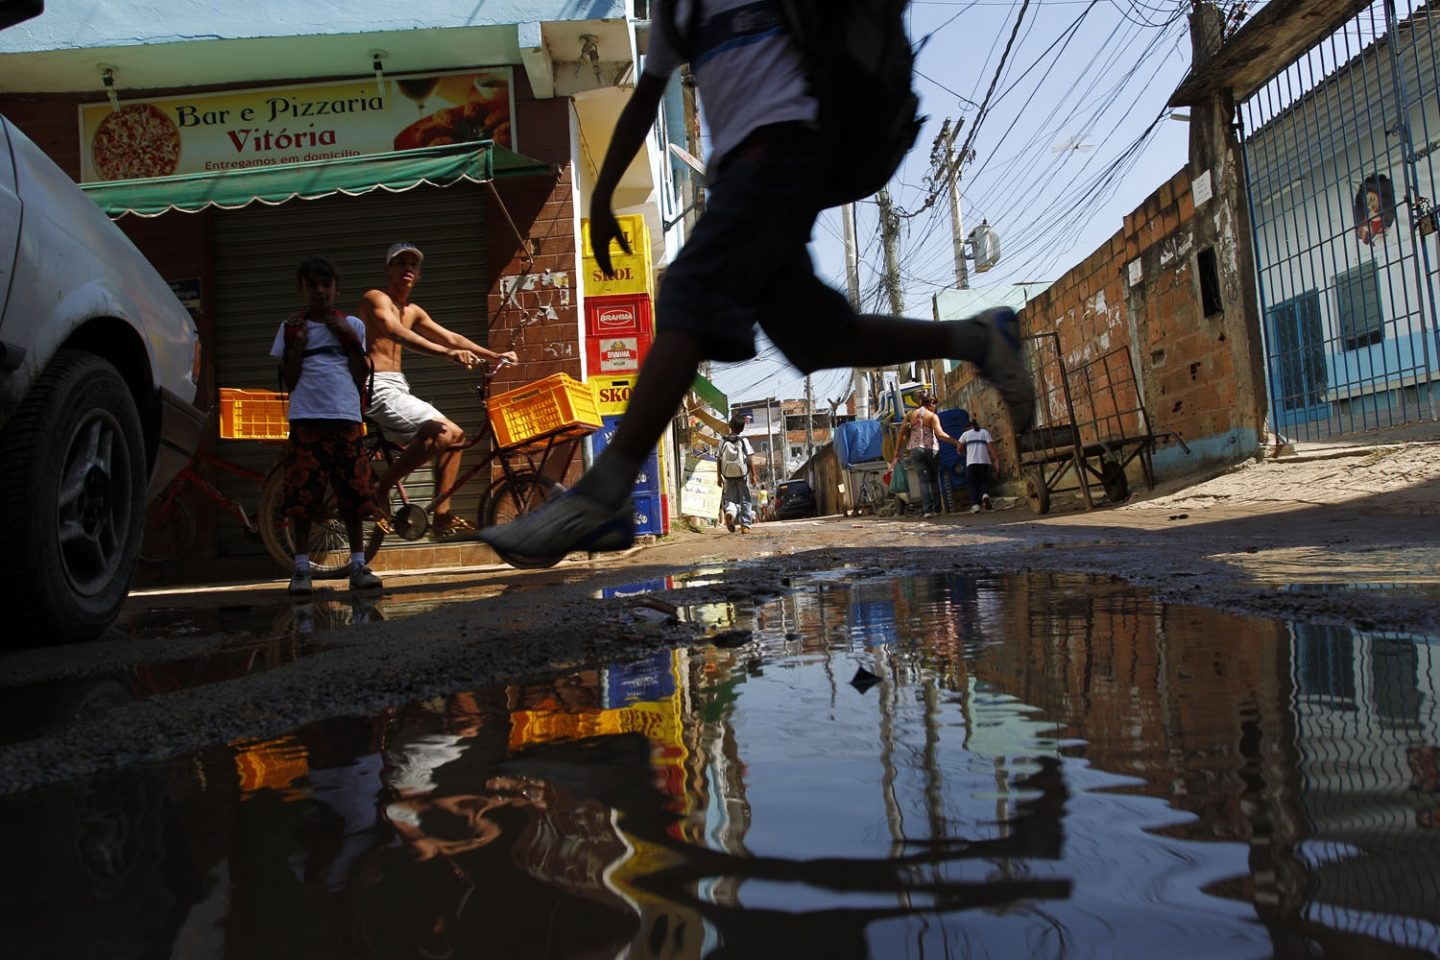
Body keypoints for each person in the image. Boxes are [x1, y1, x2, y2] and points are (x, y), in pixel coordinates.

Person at [477, 0, 1033, 563]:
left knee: (689, 294)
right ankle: (977, 337)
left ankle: (604, 494)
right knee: (819, 337)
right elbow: (646, 96)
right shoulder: (677, 9)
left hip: (783, 147)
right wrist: (601, 200)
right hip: (749, 170)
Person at [360, 242, 517, 539]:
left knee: (456, 436)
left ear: (419, 274)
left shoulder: (413, 311)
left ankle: (442, 515)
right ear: (388, 270)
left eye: (413, 265)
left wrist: (494, 356)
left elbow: (451, 337)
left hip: (398, 387)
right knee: (443, 433)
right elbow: (395, 331)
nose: (407, 269)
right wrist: (447, 354)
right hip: (376, 385)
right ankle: (381, 488)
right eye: (400, 263)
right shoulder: (375, 298)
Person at [270, 255, 383, 596]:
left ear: (337, 288)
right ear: (301, 289)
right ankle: (301, 569)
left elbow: (361, 375)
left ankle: (358, 565)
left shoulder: (353, 325)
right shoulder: (291, 328)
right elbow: (289, 379)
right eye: (312, 285)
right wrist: (299, 346)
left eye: (326, 284)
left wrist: (348, 338)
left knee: (354, 494)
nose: (320, 291)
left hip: (346, 419)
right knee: (302, 497)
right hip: (306, 420)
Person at [896, 392, 963, 518]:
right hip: (931, 449)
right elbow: (940, 434)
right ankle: (936, 509)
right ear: (931, 404)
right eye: (934, 404)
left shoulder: (910, 415)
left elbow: (901, 433)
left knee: (923, 481)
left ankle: (927, 510)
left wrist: (896, 451)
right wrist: (956, 442)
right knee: (933, 480)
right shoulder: (932, 416)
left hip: (915, 450)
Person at [717, 414, 759, 533]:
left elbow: (718, 459)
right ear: (742, 428)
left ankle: (730, 512)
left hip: (728, 475)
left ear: (730, 426)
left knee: (730, 498)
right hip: (742, 475)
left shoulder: (723, 440)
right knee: (745, 500)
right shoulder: (744, 440)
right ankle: (745, 525)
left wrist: (719, 476)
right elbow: (750, 459)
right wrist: (753, 475)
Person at [957, 415, 998, 513]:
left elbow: (959, 448)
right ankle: (985, 495)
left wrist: (964, 453)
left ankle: (975, 505)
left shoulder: (965, 434)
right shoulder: (984, 432)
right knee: (984, 481)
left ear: (968, 428)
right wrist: (996, 459)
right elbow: (990, 447)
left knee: (972, 483)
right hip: (985, 462)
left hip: (971, 462)